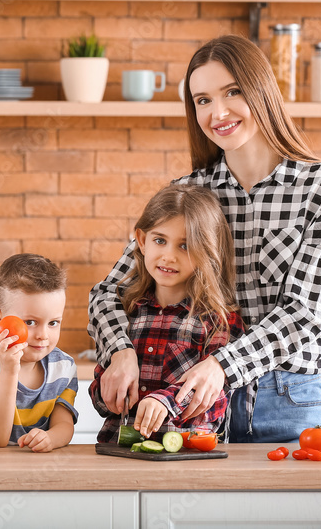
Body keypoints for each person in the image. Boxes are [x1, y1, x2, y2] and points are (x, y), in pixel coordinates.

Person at [89, 34, 321, 443]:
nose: (218, 112)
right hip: (191, 406)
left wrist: (221, 367)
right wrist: (119, 350)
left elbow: (305, 315)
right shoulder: (189, 193)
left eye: (232, 92)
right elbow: (107, 293)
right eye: (203, 100)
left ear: (261, 90)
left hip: (289, 402)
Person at [89, 185, 245, 443]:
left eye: (185, 246)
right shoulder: (125, 312)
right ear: (141, 240)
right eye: (160, 240)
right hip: (118, 456)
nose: (168, 256)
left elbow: (216, 402)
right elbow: (101, 391)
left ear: (206, 250)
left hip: (187, 461)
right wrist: (107, 393)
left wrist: (164, 401)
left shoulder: (220, 322)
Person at [0, 253, 78, 452]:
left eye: (53, 323)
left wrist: (51, 438)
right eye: (30, 322)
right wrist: (9, 371)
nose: (43, 335)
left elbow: (64, 425)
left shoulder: (63, 366)